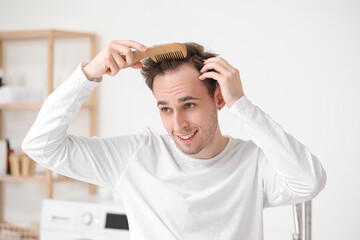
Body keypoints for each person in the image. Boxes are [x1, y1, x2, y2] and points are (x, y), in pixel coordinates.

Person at [22, 40, 326, 240]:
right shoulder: (137, 156)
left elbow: (308, 181)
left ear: (219, 98)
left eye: (189, 105)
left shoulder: (252, 163)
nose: (178, 124)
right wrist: (89, 74)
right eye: (165, 109)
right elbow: (40, 145)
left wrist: (242, 105)